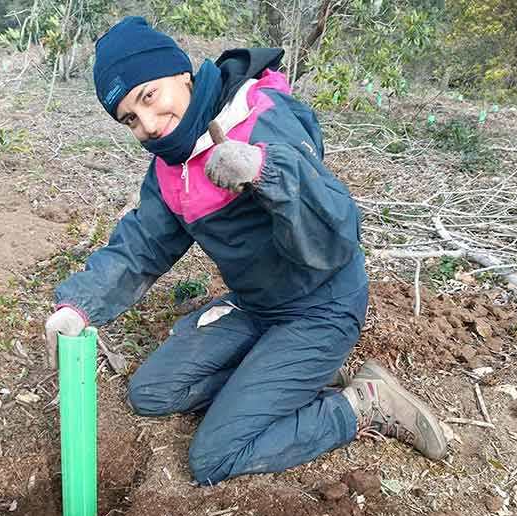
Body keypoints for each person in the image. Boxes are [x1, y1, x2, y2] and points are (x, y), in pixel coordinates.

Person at [45, 16, 448, 486]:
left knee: (214, 457)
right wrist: (79, 306)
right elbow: (143, 245)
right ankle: (286, 374)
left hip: (321, 306)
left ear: (182, 73)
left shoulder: (264, 115)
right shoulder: (170, 167)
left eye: (149, 96)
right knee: (150, 394)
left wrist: (265, 170)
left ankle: (363, 403)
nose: (148, 125)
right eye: (130, 118)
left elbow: (336, 237)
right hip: (255, 305)